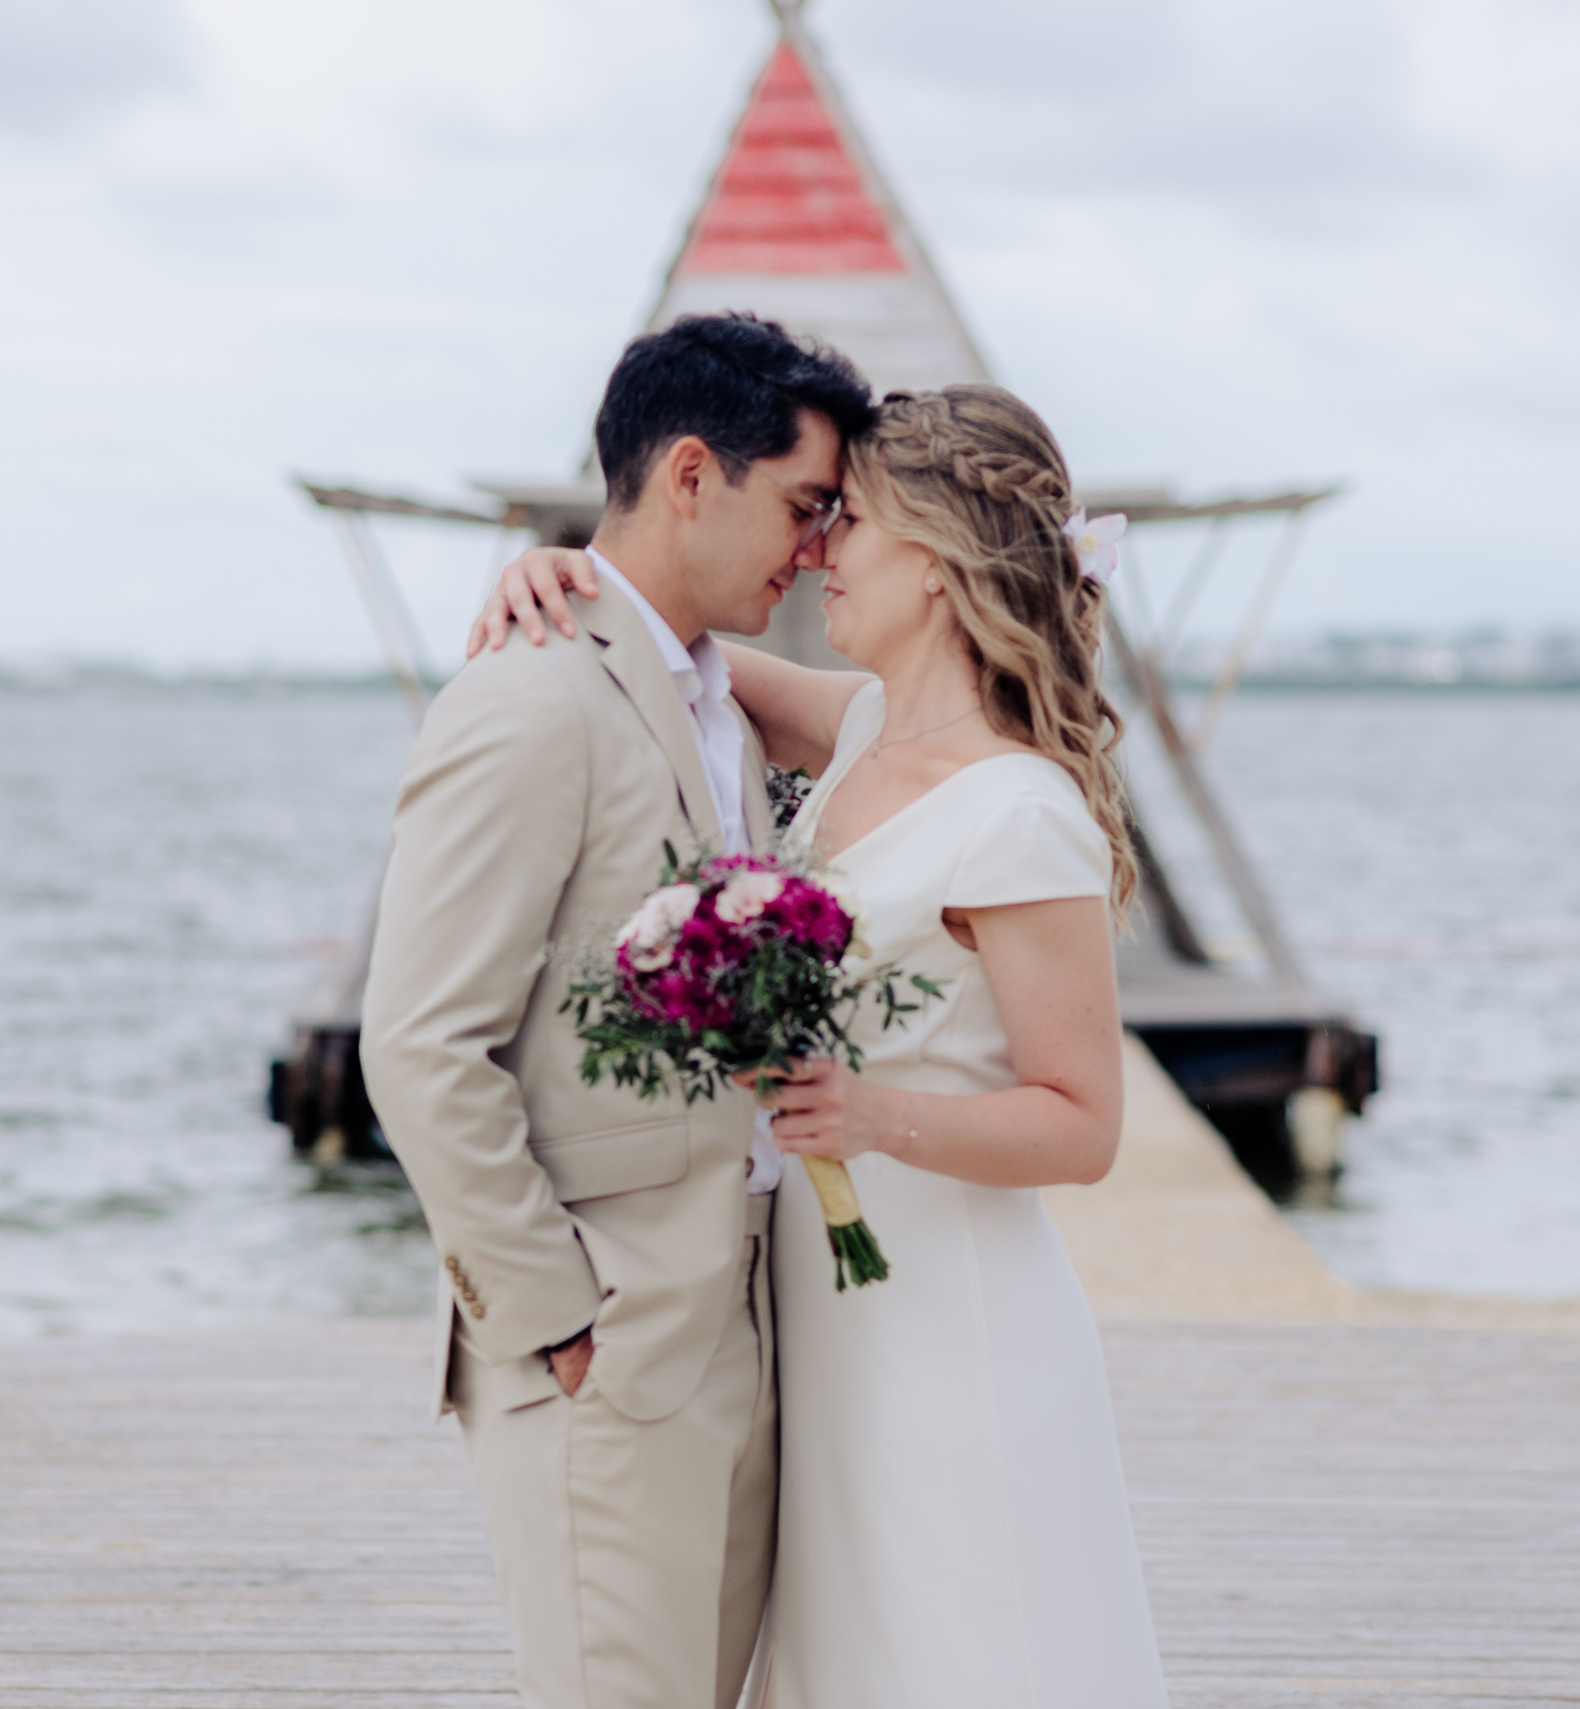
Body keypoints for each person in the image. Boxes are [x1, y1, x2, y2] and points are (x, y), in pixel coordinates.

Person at [474, 382, 1171, 1705]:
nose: (820, 549)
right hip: (832, 1317)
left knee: (964, 1648)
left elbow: (1084, 1121)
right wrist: (559, 569)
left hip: (954, 1324)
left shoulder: (1017, 812)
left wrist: (869, 1114)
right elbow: (677, 652)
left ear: (944, 563)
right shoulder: (857, 730)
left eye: (853, 521)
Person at [359, 311, 876, 1709]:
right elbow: (417, 1042)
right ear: (695, 474)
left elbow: (924, 720)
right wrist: (557, 1315)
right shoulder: (529, 699)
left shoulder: (712, 691)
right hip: (611, 1341)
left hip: (748, 1325)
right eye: (803, 507)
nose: (817, 548)